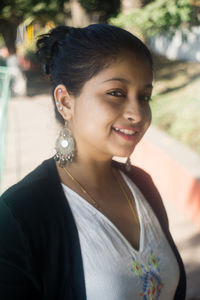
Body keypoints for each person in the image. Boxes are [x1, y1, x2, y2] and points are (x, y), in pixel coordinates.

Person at [0, 24, 186, 300]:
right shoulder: (19, 215)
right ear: (65, 101)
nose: (137, 113)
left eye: (144, 96)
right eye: (116, 93)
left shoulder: (142, 185)